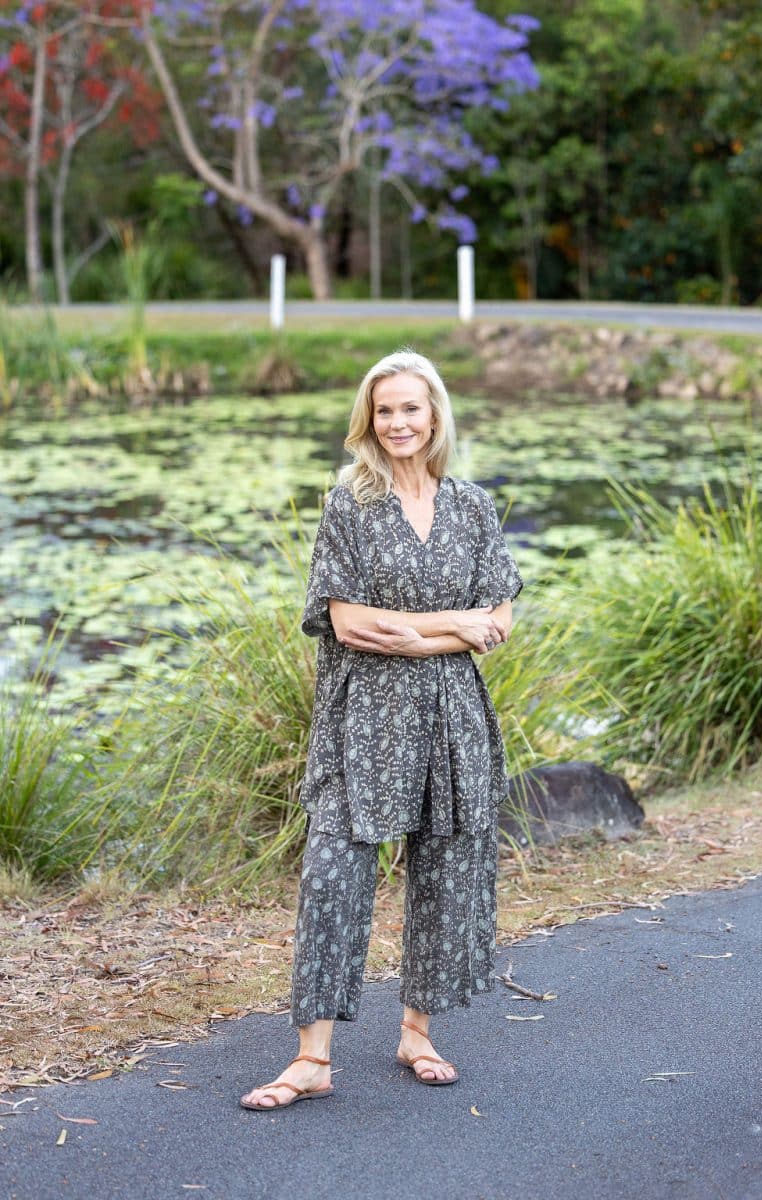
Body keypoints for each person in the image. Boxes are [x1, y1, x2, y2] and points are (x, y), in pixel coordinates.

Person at [240, 349, 523, 1111]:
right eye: (384, 409)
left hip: (451, 718)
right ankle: (311, 1057)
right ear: (368, 420)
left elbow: (499, 619)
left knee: (445, 874)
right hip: (362, 718)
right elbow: (350, 624)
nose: (398, 422)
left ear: (435, 417)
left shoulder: (471, 507)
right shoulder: (349, 508)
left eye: (411, 408)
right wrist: (449, 625)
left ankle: (418, 1031)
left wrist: (425, 635)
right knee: (334, 876)